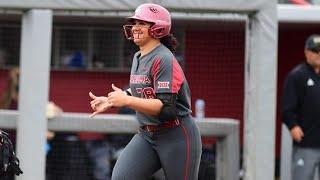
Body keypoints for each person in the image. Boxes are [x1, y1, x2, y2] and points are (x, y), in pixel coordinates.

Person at [89, 3, 202, 180]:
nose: (135, 28)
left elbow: (167, 109)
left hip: (177, 135)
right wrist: (114, 100)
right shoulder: (138, 56)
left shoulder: (164, 58)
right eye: (134, 23)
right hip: (147, 135)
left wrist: (126, 101)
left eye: (141, 23)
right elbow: (143, 89)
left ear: (158, 29)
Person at [281, 34, 320, 180]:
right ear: (307, 52)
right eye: (316, 50)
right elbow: (287, 109)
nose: (319, 54)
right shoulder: (297, 76)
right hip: (306, 144)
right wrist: (293, 126)